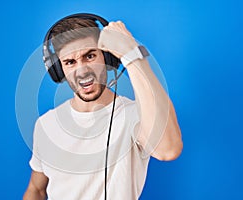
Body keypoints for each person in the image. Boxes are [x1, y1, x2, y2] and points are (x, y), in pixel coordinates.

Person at [23, 14, 183, 200]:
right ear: (59, 71)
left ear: (108, 58)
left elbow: (168, 150)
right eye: (70, 62)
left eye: (90, 56)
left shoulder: (135, 115)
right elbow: (36, 189)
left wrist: (131, 54)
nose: (82, 71)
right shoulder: (46, 124)